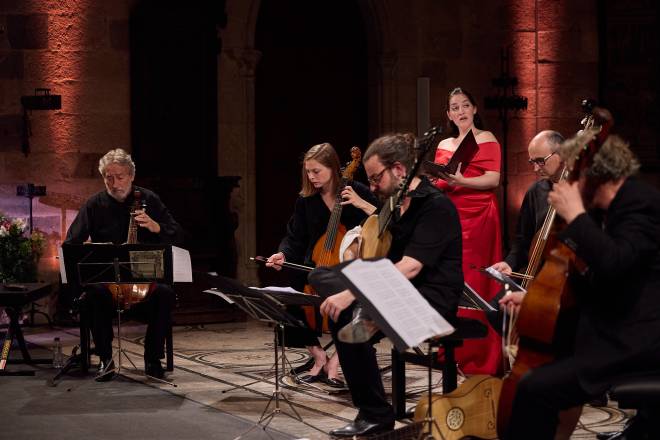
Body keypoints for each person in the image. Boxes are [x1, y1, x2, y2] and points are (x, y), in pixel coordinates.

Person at [499, 132, 660, 439]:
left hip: (639, 340)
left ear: (596, 174)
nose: (567, 184)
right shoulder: (608, 212)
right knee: (535, 379)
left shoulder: (641, 203)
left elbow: (615, 263)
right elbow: (600, 281)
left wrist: (575, 214)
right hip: (616, 327)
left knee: (534, 388)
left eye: (574, 175)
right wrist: (536, 301)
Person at [308, 133, 464, 437]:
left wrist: (353, 291)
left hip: (428, 299)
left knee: (349, 321)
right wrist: (356, 256)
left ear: (399, 170)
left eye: (375, 178)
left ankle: (376, 415)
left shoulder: (436, 207)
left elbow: (410, 266)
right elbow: (374, 243)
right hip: (396, 289)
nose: (373, 186)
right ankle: (373, 410)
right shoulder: (393, 204)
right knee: (322, 275)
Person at [265, 143, 377, 388]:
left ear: (333, 168)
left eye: (316, 171)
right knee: (290, 298)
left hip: (351, 270)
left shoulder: (355, 191)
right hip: (315, 266)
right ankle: (318, 357)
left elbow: (383, 225)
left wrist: (360, 203)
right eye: (308, 171)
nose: (311, 177)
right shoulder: (307, 200)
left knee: (362, 307)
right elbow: (295, 237)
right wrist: (282, 255)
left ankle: (336, 362)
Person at [65, 148, 183, 381]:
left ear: (131, 176)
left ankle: (152, 359)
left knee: (166, 295)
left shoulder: (149, 199)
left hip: (144, 285)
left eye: (120, 176)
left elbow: (178, 234)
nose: (114, 182)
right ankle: (105, 360)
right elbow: (72, 244)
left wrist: (155, 226)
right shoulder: (94, 205)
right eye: (108, 177)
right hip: (108, 288)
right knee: (93, 296)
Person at [433, 87, 502, 375]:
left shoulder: (487, 139)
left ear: (474, 109)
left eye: (465, 105)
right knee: (454, 276)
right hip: (452, 215)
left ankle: (480, 353)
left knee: (475, 276)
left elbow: (493, 179)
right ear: (448, 114)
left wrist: (460, 180)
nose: (460, 111)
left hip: (479, 214)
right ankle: (452, 348)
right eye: (454, 107)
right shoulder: (444, 143)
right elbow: (439, 181)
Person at [491, 130, 565, 275]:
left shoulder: (581, 192)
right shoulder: (535, 192)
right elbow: (522, 241)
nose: (535, 168)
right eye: (532, 162)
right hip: (538, 275)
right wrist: (509, 263)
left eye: (540, 161)